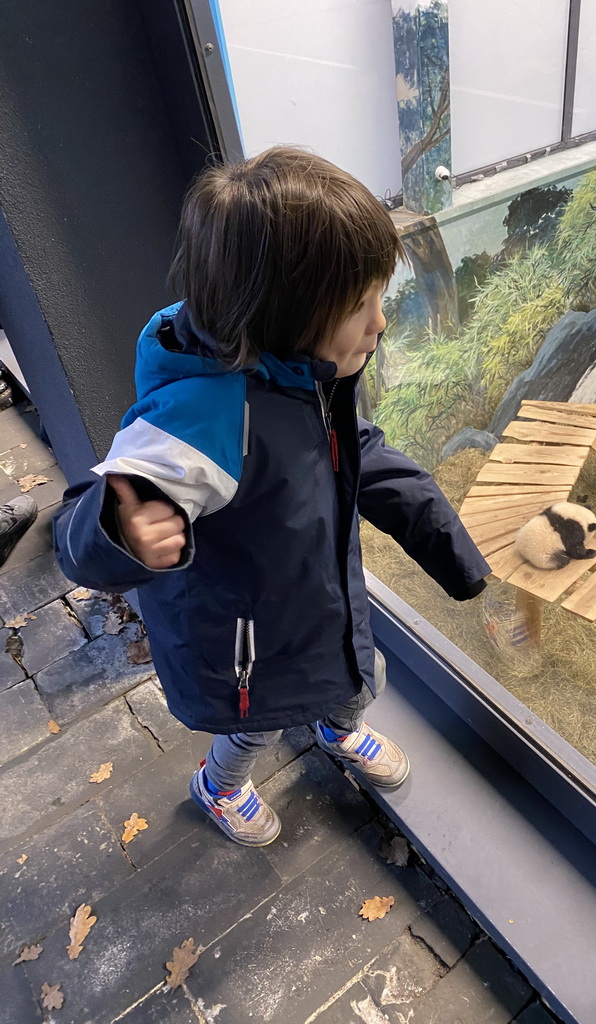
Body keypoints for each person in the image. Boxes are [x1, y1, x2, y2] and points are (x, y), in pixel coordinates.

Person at [52, 147, 490, 848]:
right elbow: (83, 530)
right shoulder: (202, 421)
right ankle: (219, 786)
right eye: (362, 307)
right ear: (283, 316)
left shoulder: (300, 372)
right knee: (252, 730)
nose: (380, 324)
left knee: (357, 677)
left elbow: (357, 454)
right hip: (248, 650)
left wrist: (449, 545)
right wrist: (121, 523)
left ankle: (337, 729)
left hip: (319, 606)